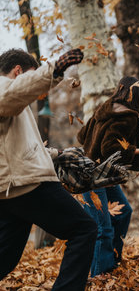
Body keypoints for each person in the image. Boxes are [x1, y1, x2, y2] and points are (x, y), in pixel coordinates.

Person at [0, 48, 98, 290]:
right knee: (84, 229)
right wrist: (54, 69)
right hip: (26, 183)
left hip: (12, 187)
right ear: (18, 71)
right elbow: (9, 96)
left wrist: (58, 154)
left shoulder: (13, 103)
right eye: (31, 77)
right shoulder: (3, 86)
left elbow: (20, 147)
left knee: (5, 257)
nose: (38, 91)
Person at [77, 76, 139, 276]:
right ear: (137, 96)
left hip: (100, 174)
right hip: (95, 177)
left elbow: (81, 136)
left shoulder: (105, 108)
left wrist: (91, 146)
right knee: (103, 228)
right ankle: (100, 276)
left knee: (124, 212)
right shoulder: (128, 117)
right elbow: (109, 147)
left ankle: (109, 262)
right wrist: (136, 151)